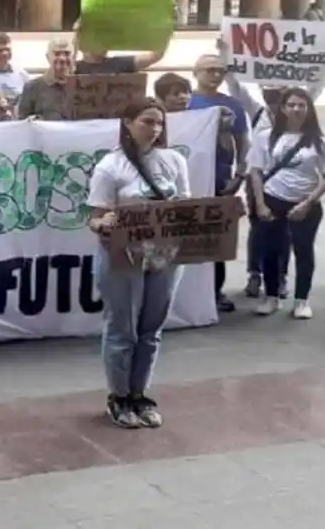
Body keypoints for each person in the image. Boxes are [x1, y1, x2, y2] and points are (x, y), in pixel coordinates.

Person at [86, 98, 191, 429]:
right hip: (123, 256)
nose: (154, 129)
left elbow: (186, 206)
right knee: (122, 328)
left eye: (159, 123)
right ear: (128, 123)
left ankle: (139, 392)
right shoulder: (110, 167)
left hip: (165, 256)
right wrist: (105, 224)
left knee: (152, 328)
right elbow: (94, 217)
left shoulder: (174, 161)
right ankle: (119, 396)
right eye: (147, 121)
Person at [247, 88, 325, 319]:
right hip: (272, 199)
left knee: (303, 251)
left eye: (301, 105)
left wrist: (308, 203)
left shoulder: (321, 141)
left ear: (309, 110)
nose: (296, 109)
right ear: (283, 108)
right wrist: (260, 204)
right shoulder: (265, 137)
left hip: (305, 203)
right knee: (270, 251)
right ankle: (272, 296)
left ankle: (301, 300)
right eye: (291, 105)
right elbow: (256, 172)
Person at [186, 54, 248, 313]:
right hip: (189, 177)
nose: (215, 75)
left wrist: (240, 175)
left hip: (221, 177)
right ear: (195, 72)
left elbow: (243, 141)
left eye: (220, 71)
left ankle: (215, 289)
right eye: (209, 70)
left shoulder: (233, 105)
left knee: (217, 237)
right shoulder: (185, 102)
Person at [73, 20, 167, 75]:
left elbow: (156, 55)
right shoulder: (74, 68)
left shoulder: (119, 64)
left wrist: (166, 26)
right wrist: (78, 34)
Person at [18, 38, 74, 120]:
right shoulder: (32, 88)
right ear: (48, 57)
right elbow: (22, 121)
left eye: (67, 53)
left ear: (73, 57)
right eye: (57, 54)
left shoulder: (82, 86)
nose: (62, 58)